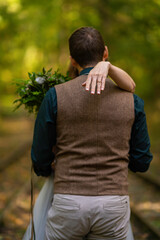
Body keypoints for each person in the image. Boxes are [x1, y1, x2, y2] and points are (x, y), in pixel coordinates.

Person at [30, 27, 152, 240]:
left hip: (68, 202)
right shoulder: (132, 101)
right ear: (105, 53)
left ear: (73, 60)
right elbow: (141, 161)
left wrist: (48, 167)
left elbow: (40, 157)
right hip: (112, 204)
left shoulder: (54, 96)